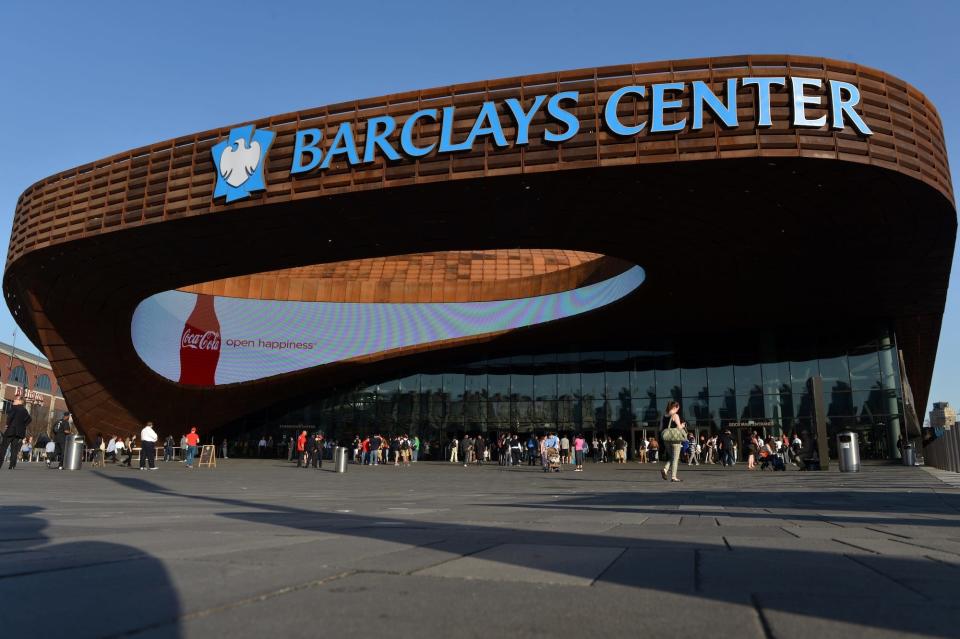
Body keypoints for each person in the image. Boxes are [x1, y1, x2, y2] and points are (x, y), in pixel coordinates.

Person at [1, 397, 31, 470]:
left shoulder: (14, 408)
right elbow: (29, 419)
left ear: (20, 401)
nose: (14, 400)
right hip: (19, 433)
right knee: (14, 449)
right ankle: (12, 465)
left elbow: (10, 417)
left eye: (16, 399)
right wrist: (22, 426)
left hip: (11, 430)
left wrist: (7, 424)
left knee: (3, 448)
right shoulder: (25, 410)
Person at [660, 400, 686, 482]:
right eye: (678, 408)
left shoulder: (664, 415)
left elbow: (660, 428)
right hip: (675, 440)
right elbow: (679, 428)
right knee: (675, 458)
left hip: (666, 439)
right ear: (675, 407)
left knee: (672, 457)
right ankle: (673, 477)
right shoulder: (675, 415)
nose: (678, 410)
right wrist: (682, 425)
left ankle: (665, 469)